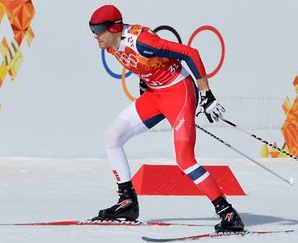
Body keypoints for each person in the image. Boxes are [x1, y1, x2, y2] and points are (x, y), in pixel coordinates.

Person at [89, 5, 244, 232]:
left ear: (114, 28)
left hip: (179, 93)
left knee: (185, 159)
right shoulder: (110, 44)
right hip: (155, 94)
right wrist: (144, 81)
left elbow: (190, 54)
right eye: (91, 28)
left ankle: (228, 213)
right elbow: (146, 65)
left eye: (98, 29)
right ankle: (128, 202)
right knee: (112, 137)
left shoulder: (142, 41)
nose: (94, 35)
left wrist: (206, 95)